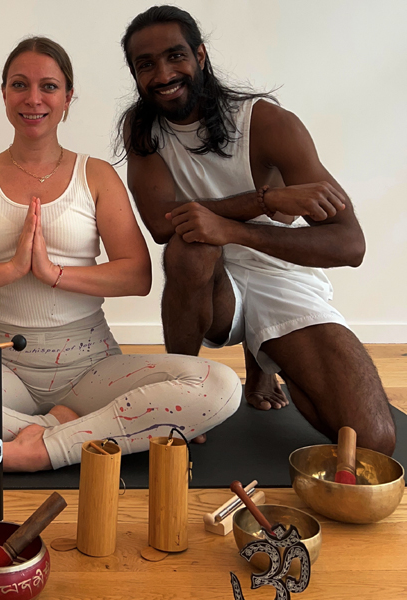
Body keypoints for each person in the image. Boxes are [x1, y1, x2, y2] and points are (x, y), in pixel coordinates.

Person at [0, 37, 241, 475]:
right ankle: (67, 431)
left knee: (219, 384)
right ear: (4, 93)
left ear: (68, 97)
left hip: (92, 368)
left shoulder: (96, 174)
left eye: (48, 86)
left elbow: (136, 276)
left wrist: (53, 273)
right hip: (3, 367)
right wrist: (11, 269)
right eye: (19, 85)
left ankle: (41, 448)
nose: (33, 99)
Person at [119, 6, 395, 454]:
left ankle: (267, 357)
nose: (163, 74)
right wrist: (264, 202)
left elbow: (350, 244)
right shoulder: (143, 127)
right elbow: (160, 224)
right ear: (135, 73)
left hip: (279, 275)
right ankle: (182, 392)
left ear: (200, 56)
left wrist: (233, 229)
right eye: (146, 64)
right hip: (212, 282)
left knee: (373, 440)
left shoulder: (267, 123)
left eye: (175, 56)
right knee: (189, 247)